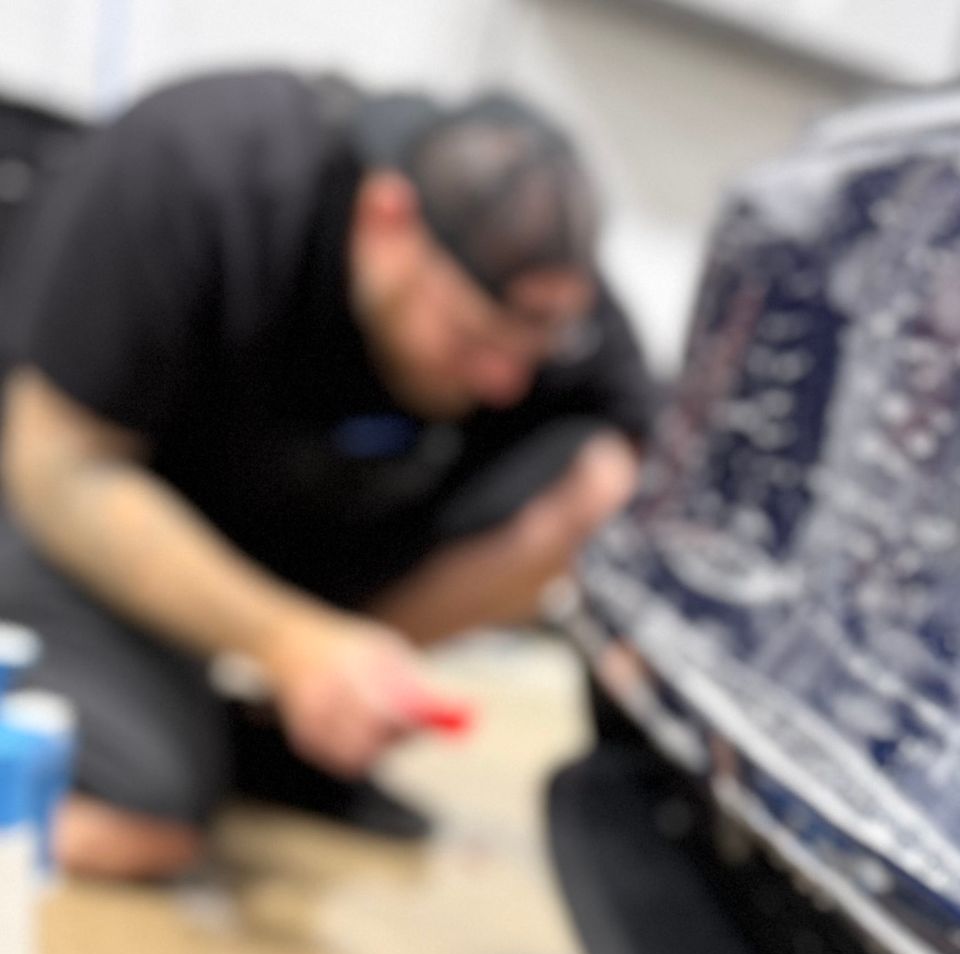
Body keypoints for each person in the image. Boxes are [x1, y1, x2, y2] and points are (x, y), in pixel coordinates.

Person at [0, 70, 650, 879]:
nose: (502, 382)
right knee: (146, 820)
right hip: (80, 506)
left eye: (529, 355)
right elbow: (58, 470)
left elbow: (652, 475)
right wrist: (289, 641)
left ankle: (269, 732)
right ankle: (204, 706)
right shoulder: (207, 170)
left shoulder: (535, 305)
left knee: (600, 483)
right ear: (388, 220)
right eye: (472, 339)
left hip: (292, 519)